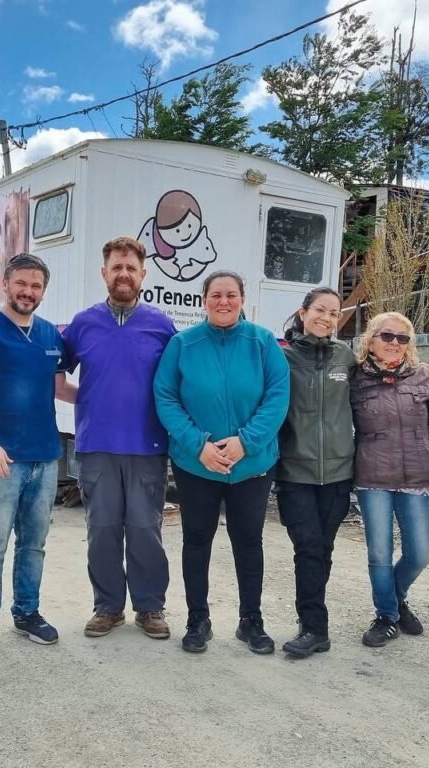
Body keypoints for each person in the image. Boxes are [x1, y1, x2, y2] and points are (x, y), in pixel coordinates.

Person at [154, 270, 290, 654]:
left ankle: (251, 621)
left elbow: (278, 396)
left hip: (252, 464)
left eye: (231, 294)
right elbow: (165, 397)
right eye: (216, 295)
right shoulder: (183, 344)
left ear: (243, 299)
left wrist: (246, 442)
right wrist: (199, 445)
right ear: (204, 300)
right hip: (197, 464)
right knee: (197, 539)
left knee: (248, 540)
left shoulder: (263, 343)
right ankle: (198, 620)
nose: (224, 301)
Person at [62, 237, 177, 640]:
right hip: (96, 446)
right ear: (104, 273)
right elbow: (56, 377)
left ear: (143, 274)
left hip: (148, 446)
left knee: (145, 529)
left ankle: (150, 607)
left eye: (130, 268)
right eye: (116, 267)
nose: (123, 274)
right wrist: (89, 401)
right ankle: (108, 607)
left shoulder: (162, 326)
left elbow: (176, 384)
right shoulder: (83, 323)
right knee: (102, 529)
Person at [0, 252, 69, 661]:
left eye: (36, 285)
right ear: (5, 284)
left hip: (45, 456)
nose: (28, 291)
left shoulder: (50, 334)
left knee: (34, 544)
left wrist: (107, 401)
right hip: (1, 458)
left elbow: (61, 388)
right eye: (21, 283)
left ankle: (27, 613)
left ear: (43, 291)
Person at [351, 312, 429, 649]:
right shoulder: (355, 378)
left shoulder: (423, 376)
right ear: (371, 340)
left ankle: (396, 597)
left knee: (420, 553)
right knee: (379, 553)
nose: (394, 343)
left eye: (402, 338)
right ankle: (387, 616)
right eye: (387, 336)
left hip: (415, 477)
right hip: (373, 477)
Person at [276, 287, 356, 658]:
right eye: (320, 310)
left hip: (339, 473)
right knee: (308, 547)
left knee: (323, 548)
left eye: (334, 313)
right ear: (303, 312)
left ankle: (313, 624)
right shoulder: (283, 357)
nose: (326, 318)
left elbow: (377, 383)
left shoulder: (346, 356)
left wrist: (419, 369)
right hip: (295, 473)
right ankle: (313, 627)